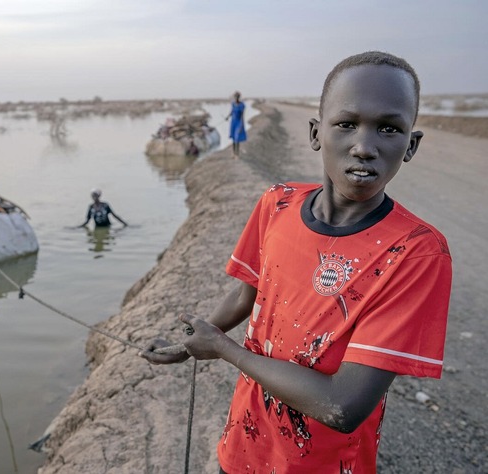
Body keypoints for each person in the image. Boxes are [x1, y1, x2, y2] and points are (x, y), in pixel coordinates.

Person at [142, 51, 452, 473]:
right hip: (244, 444)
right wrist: (188, 345)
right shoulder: (277, 204)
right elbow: (248, 293)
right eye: (346, 124)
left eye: (389, 129)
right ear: (316, 132)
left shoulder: (415, 252)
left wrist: (224, 349)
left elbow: (342, 404)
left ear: (410, 145)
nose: (364, 147)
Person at [226, 91, 247, 159]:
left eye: (237, 97)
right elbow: (232, 112)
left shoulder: (242, 105)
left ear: (239, 97)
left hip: (239, 122)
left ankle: (237, 154)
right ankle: (233, 153)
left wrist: (241, 125)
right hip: (233, 122)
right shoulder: (233, 104)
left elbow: (242, 116)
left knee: (237, 138)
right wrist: (228, 117)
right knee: (233, 138)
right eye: (235, 97)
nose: (236, 98)